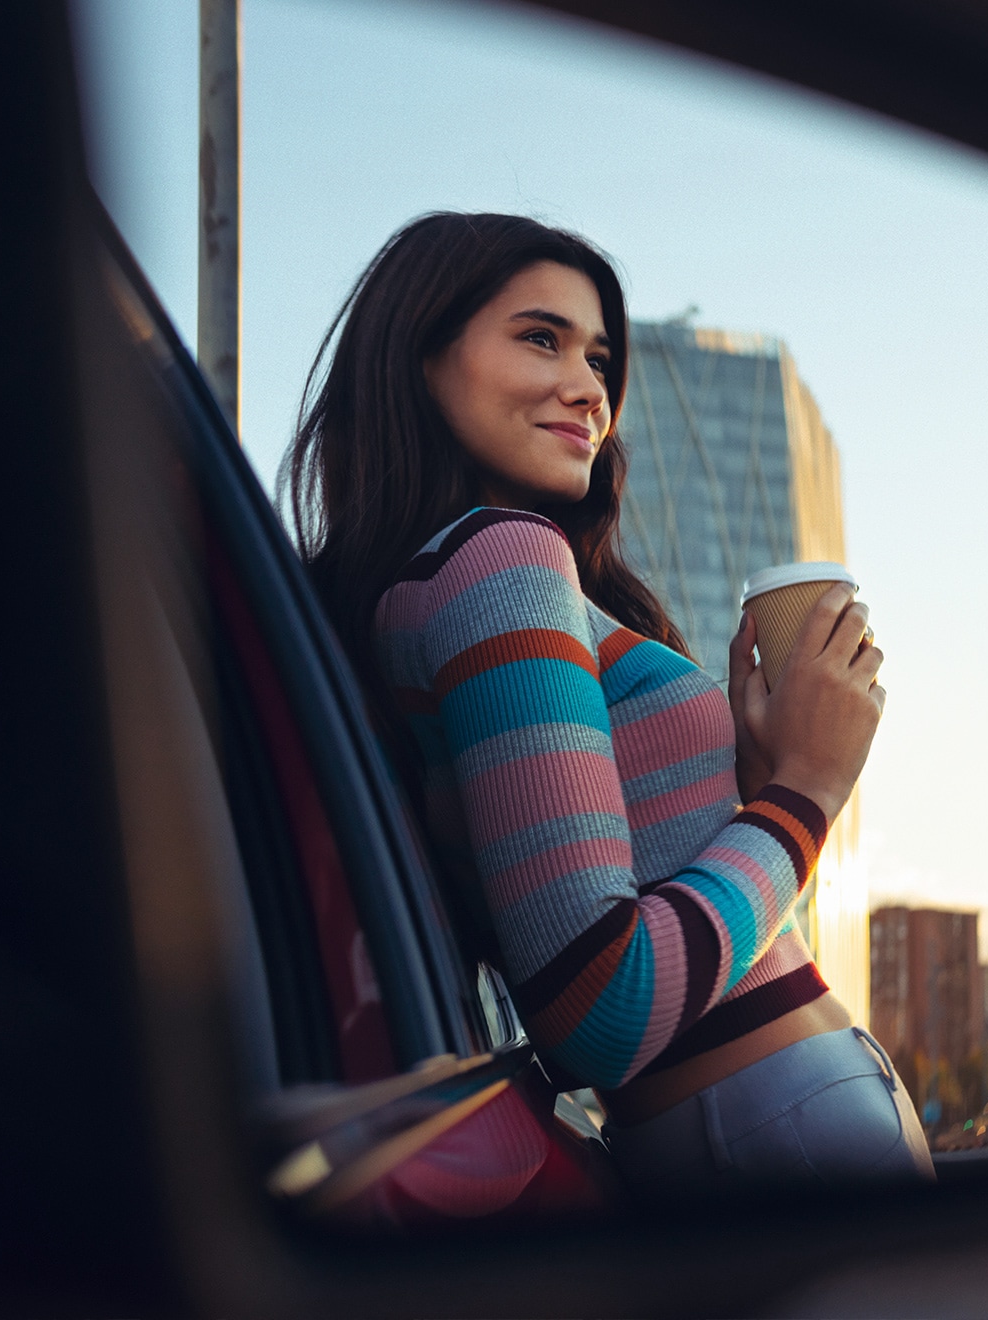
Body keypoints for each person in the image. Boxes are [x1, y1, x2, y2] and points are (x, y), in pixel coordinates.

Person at [281, 213, 933, 1199]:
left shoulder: (421, 589)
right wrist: (807, 792)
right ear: (421, 356)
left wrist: (751, 786)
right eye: (539, 338)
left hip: (754, 1127)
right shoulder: (498, 557)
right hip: (779, 1124)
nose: (589, 387)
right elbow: (602, 1005)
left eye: (598, 356)